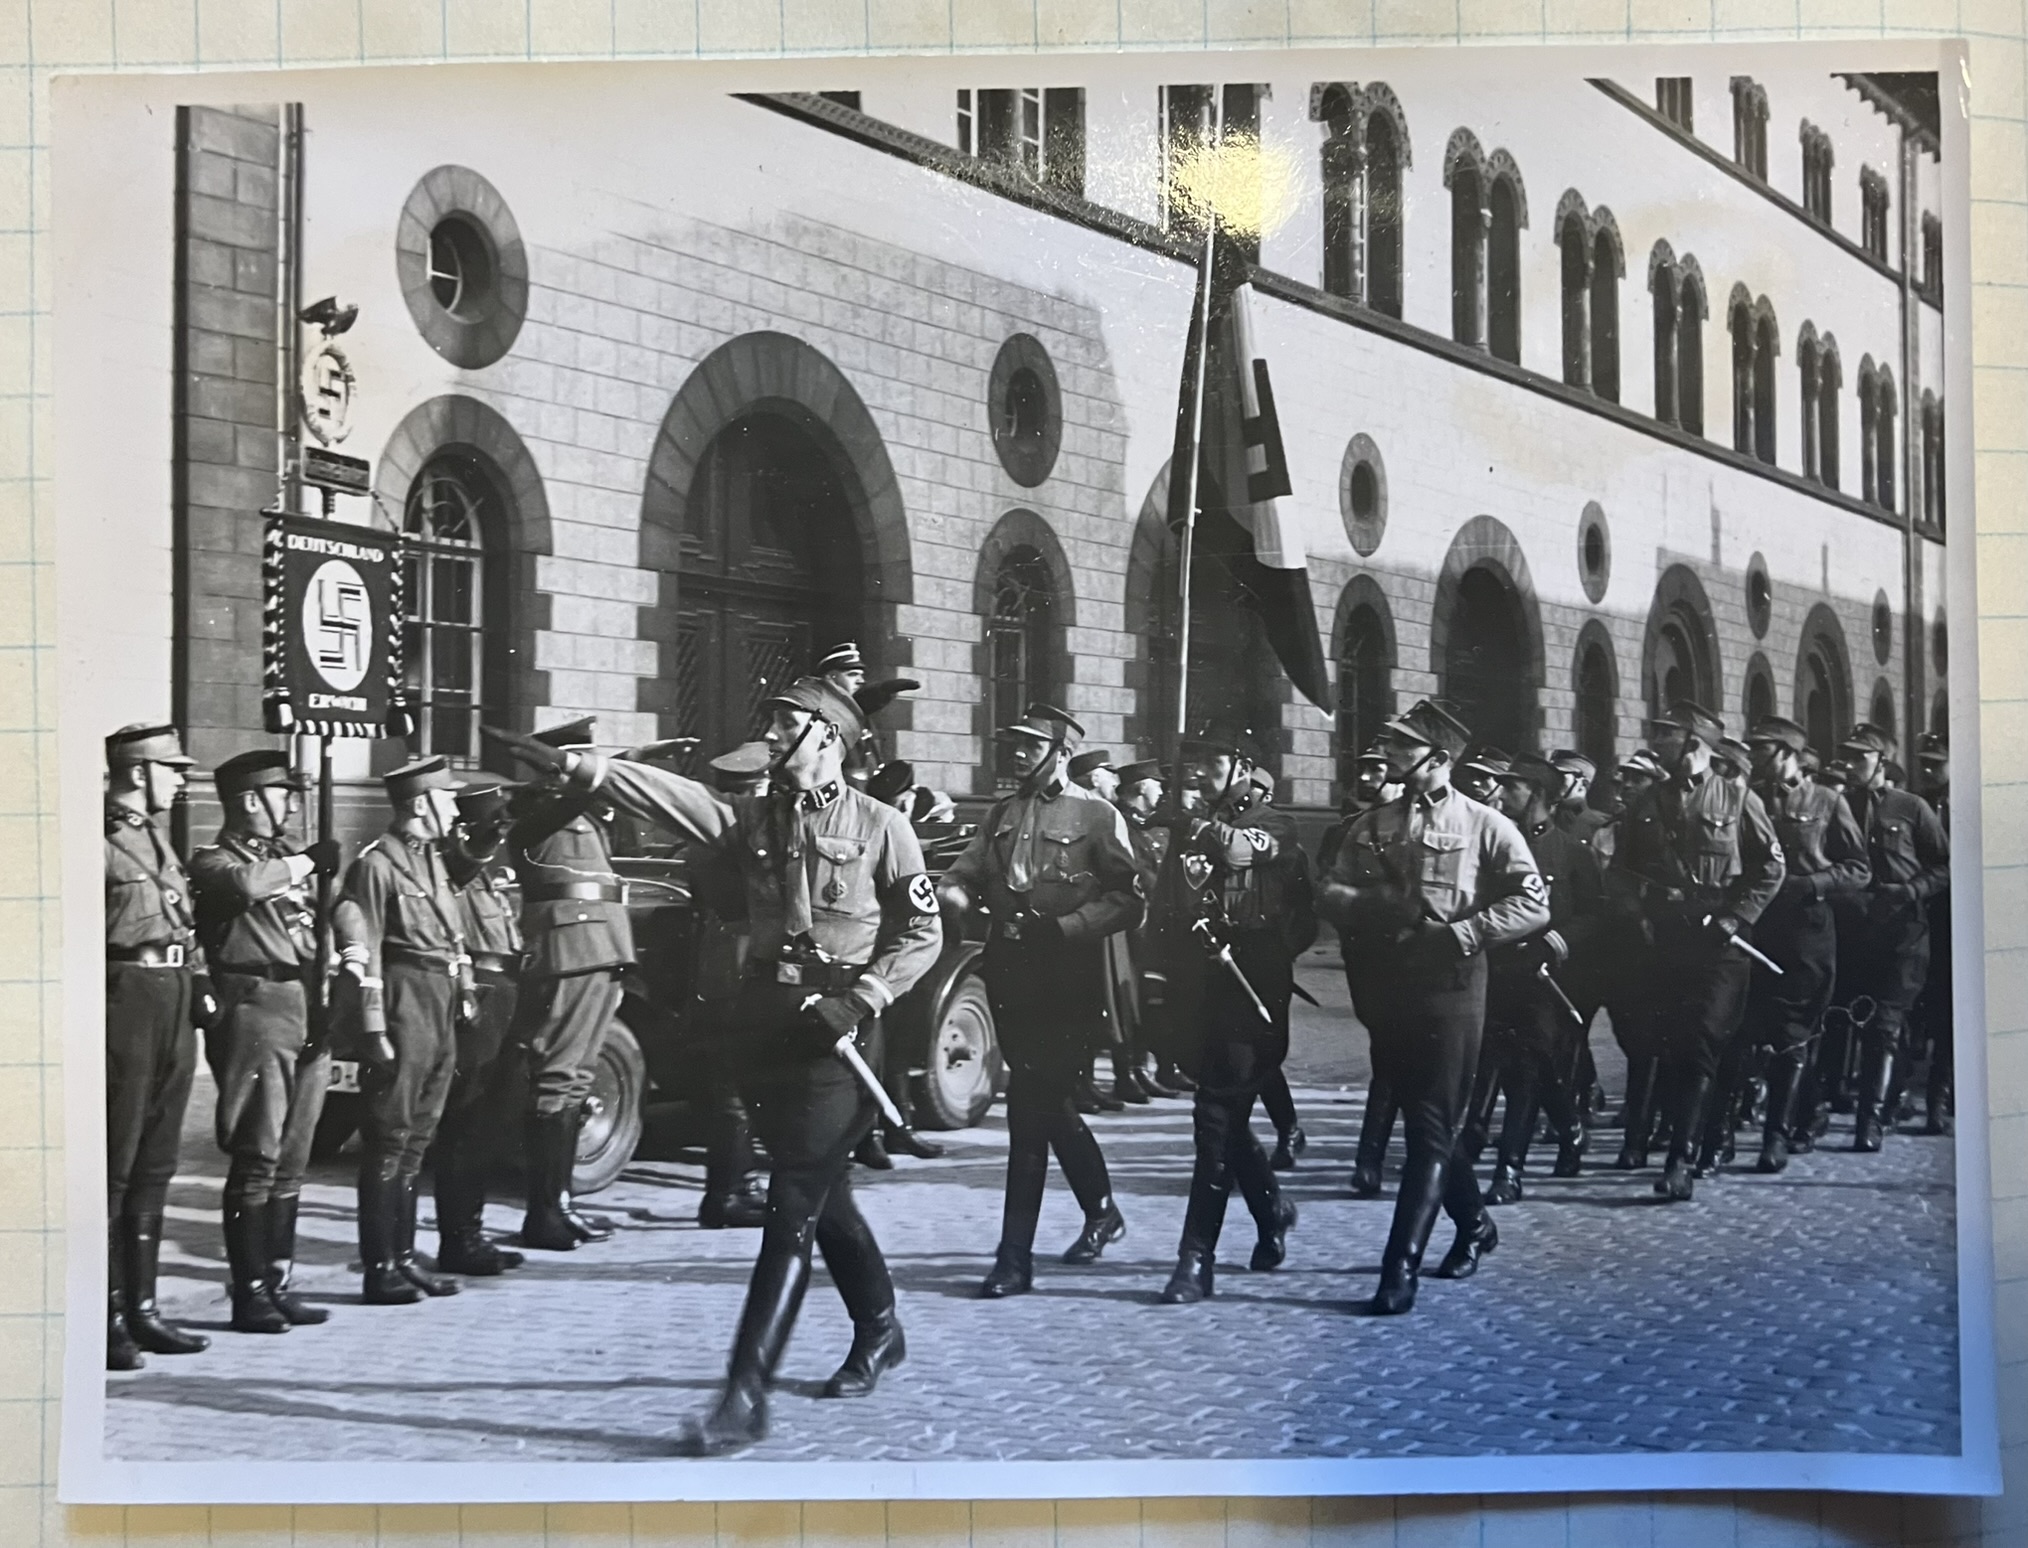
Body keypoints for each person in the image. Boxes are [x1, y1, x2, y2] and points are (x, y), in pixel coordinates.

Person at [486, 677, 942, 1454]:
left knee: (793, 1201)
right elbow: (667, 796)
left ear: (828, 736)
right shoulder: (751, 819)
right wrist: (582, 770)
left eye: (787, 724)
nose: (771, 735)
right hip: (771, 1028)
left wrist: (863, 996)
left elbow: (922, 933)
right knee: (822, 1195)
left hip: (840, 1034)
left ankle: (745, 1392)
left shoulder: (882, 825)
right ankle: (880, 1327)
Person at [1317, 701, 1549, 1314]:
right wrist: (1364, 906)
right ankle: (1473, 1226)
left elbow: (1533, 902)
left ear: (1439, 759)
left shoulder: (1484, 823)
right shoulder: (1372, 824)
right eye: (1391, 744)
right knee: (1425, 1123)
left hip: (1452, 982)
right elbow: (1333, 889)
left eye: (1402, 746)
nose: (1389, 755)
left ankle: (1400, 1269)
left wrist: (1462, 933)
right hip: (1390, 984)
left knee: (1431, 1129)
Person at [940, 704, 1144, 1299]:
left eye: (1031, 746)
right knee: (1044, 1103)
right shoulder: (1001, 812)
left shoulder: (1098, 814)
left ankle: (1013, 1258)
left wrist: (1069, 926)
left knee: (1029, 1112)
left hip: (1067, 976)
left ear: (1059, 752)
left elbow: (1130, 898)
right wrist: (951, 893)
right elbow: (966, 871)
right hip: (1010, 974)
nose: (1018, 754)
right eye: (1014, 744)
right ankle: (1102, 1210)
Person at [1150, 727, 1312, 1303]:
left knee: (1214, 1120)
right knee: (1224, 1113)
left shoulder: (1275, 823)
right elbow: (1170, 901)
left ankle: (1195, 1258)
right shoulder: (1186, 827)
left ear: (1243, 765)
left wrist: (1190, 820)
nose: (1200, 771)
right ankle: (1271, 1213)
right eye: (1193, 761)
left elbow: (1240, 851)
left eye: (1213, 760)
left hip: (1252, 988)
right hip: (1201, 985)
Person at [189, 749, 342, 1333]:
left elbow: (312, 927)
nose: (292, 806)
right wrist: (306, 864)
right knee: (258, 1151)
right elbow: (247, 886)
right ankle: (248, 1291)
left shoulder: (283, 858)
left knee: (293, 1155)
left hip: (301, 1000)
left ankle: (278, 1280)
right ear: (250, 800)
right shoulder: (214, 860)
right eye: (283, 795)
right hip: (255, 1006)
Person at [1608, 701, 1784, 1202]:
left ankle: (1680, 1159)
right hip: (1665, 937)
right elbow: (1620, 871)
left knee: (1703, 1040)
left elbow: (1771, 867)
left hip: (1720, 939)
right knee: (1672, 1041)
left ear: (1692, 743)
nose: (1655, 740)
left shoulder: (1736, 796)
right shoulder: (1646, 803)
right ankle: (1705, 1136)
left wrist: (1737, 916)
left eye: (1665, 734)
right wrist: (1636, 913)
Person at [333, 757, 472, 1304]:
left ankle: (406, 1258)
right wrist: (372, 1029)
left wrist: (462, 993)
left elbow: (451, 937)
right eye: (448, 798)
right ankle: (380, 1266)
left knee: (418, 1137)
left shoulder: (432, 861)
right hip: (403, 1000)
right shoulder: (376, 864)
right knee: (390, 1136)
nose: (456, 807)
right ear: (421, 804)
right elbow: (364, 950)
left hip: (437, 1001)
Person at [104, 724, 214, 1370]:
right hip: (126, 993)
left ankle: (144, 1310)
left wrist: (197, 977)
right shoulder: (100, 839)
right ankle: (107, 1315)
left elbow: (183, 919)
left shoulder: (157, 841)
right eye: (173, 769)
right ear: (140, 772)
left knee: (157, 1160)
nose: (181, 779)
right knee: (116, 1163)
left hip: (171, 993)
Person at [507, 717, 633, 1251]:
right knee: (558, 1077)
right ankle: (543, 1213)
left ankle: (561, 1205)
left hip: (601, 952)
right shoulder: (534, 810)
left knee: (578, 1078)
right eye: (575, 761)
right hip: (569, 954)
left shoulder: (583, 812)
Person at [1730, 717, 1868, 1174]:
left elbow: (1857, 868)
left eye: (1762, 749)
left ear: (1787, 752)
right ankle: (1801, 1114)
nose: (1753, 757)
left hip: (1807, 929)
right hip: (1759, 926)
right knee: (1756, 1030)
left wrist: (1813, 884)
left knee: (1794, 1033)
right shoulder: (1748, 799)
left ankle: (1776, 1136)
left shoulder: (1828, 800)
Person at [1476, 754, 1606, 1201]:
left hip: (1547, 976)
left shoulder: (1573, 853)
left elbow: (1592, 915)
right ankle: (1569, 1127)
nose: (1502, 793)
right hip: (1497, 970)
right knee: (1530, 1064)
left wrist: (1554, 943)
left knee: (1527, 1067)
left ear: (1539, 795)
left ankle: (1508, 1170)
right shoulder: (1492, 844)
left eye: (1512, 787)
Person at [1834, 724, 1950, 1151]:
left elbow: (1942, 865)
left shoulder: (1913, 808)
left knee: (1884, 1024)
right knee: (1859, 1023)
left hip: (1904, 932)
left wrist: (1910, 891)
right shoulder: (1839, 805)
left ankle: (1871, 1121)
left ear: (1881, 762)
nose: (1848, 765)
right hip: (1855, 933)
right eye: (1846, 757)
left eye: (1858, 758)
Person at [433, 780, 532, 1273]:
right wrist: (483, 837)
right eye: (497, 819)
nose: (503, 829)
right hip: (480, 995)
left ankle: (470, 1232)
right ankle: (458, 1239)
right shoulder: (457, 862)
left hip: (505, 992)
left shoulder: (488, 871)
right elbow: (462, 862)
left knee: (490, 1122)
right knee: (466, 1123)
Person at [1114, 757, 1190, 1098]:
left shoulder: (1154, 825)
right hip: (1135, 923)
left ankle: (1162, 1066)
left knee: (1160, 998)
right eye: (1156, 784)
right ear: (1142, 787)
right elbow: (1136, 874)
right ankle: (1134, 1069)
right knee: (1133, 999)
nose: (1161, 789)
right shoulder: (1120, 823)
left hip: (1158, 924)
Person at [1914, 732, 1954, 1135]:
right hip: (1930, 917)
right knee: (1940, 1011)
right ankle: (1935, 1104)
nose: (1928, 770)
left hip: (1967, 917)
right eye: (1923, 762)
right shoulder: (1916, 805)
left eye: (1936, 763)